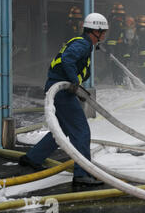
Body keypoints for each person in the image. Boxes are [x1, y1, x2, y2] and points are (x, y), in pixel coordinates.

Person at [18, 13, 109, 186]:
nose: (104, 35)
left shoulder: (84, 44)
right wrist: (74, 82)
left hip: (61, 90)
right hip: (62, 91)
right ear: (95, 31)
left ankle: (33, 158)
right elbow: (67, 60)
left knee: (61, 129)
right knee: (81, 131)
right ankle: (82, 174)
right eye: (103, 31)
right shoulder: (82, 44)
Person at [106, 3, 127, 85]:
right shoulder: (115, 22)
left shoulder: (113, 21)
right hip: (116, 47)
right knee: (117, 64)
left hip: (117, 46)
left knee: (116, 63)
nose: (121, 17)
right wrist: (111, 47)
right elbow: (113, 36)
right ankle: (118, 81)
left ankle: (118, 80)